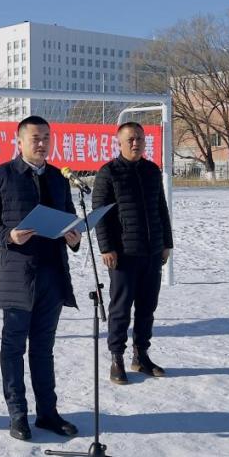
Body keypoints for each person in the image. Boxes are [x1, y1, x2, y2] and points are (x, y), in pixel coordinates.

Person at [0, 116, 82, 441]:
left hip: (53, 274)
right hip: (18, 275)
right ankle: (18, 414)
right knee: (14, 347)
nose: (42, 143)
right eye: (35, 137)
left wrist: (73, 239)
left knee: (43, 349)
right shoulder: (1, 175)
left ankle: (48, 413)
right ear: (19, 142)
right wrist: (8, 236)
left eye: (47, 137)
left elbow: (69, 220)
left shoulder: (60, 179)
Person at [92, 121, 173, 385]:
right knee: (120, 309)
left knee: (147, 308)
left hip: (152, 252)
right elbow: (100, 216)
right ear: (119, 142)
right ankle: (117, 358)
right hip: (123, 255)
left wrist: (166, 242)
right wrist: (106, 248)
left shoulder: (151, 170)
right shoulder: (109, 173)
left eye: (139, 138)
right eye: (130, 139)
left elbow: (161, 208)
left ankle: (141, 356)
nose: (135, 143)